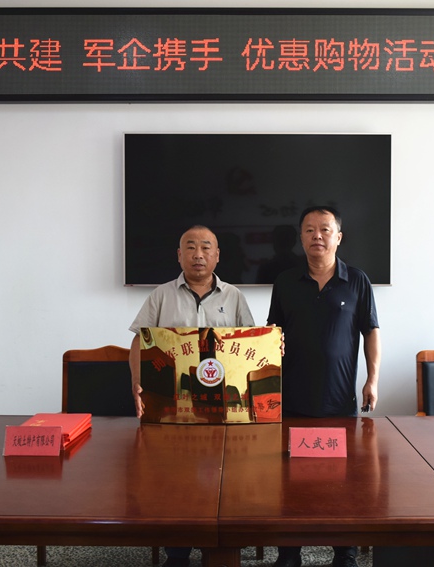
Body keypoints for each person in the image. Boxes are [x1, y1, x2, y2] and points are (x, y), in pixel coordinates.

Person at [129, 224, 254, 567]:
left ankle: (220, 550)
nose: (198, 254)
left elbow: (252, 342)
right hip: (174, 407)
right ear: (179, 255)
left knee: (223, 479)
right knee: (175, 479)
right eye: (190, 247)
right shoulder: (161, 295)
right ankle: (177, 553)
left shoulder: (234, 297)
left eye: (206, 247)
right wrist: (137, 383)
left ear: (217, 255)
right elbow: (140, 340)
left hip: (223, 409)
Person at [266, 205, 381, 567]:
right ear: (300, 237)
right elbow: (272, 332)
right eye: (309, 229)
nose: (317, 235)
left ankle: (344, 553)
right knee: (291, 480)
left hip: (339, 401)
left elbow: (371, 332)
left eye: (325, 229)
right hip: (292, 399)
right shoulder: (285, 281)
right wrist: (272, 343)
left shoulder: (357, 281)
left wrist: (372, 379)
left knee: (343, 480)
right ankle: (289, 553)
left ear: (338, 237)